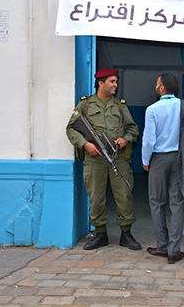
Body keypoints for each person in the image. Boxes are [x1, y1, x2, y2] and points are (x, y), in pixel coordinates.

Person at [66, 68, 141, 251]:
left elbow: (133, 129)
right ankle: (100, 234)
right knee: (96, 198)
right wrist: (86, 145)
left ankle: (126, 234)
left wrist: (126, 139)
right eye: (112, 81)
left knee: (124, 195)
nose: (115, 85)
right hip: (95, 159)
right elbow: (71, 129)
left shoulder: (120, 107)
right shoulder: (85, 105)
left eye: (116, 81)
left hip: (118, 158)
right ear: (101, 83)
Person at [142, 73, 184, 264]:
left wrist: (145, 160)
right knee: (177, 203)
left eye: (157, 82)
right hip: (179, 158)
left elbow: (149, 140)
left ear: (161, 88)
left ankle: (162, 245)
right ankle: (174, 250)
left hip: (159, 160)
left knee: (156, 202)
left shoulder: (152, 110)